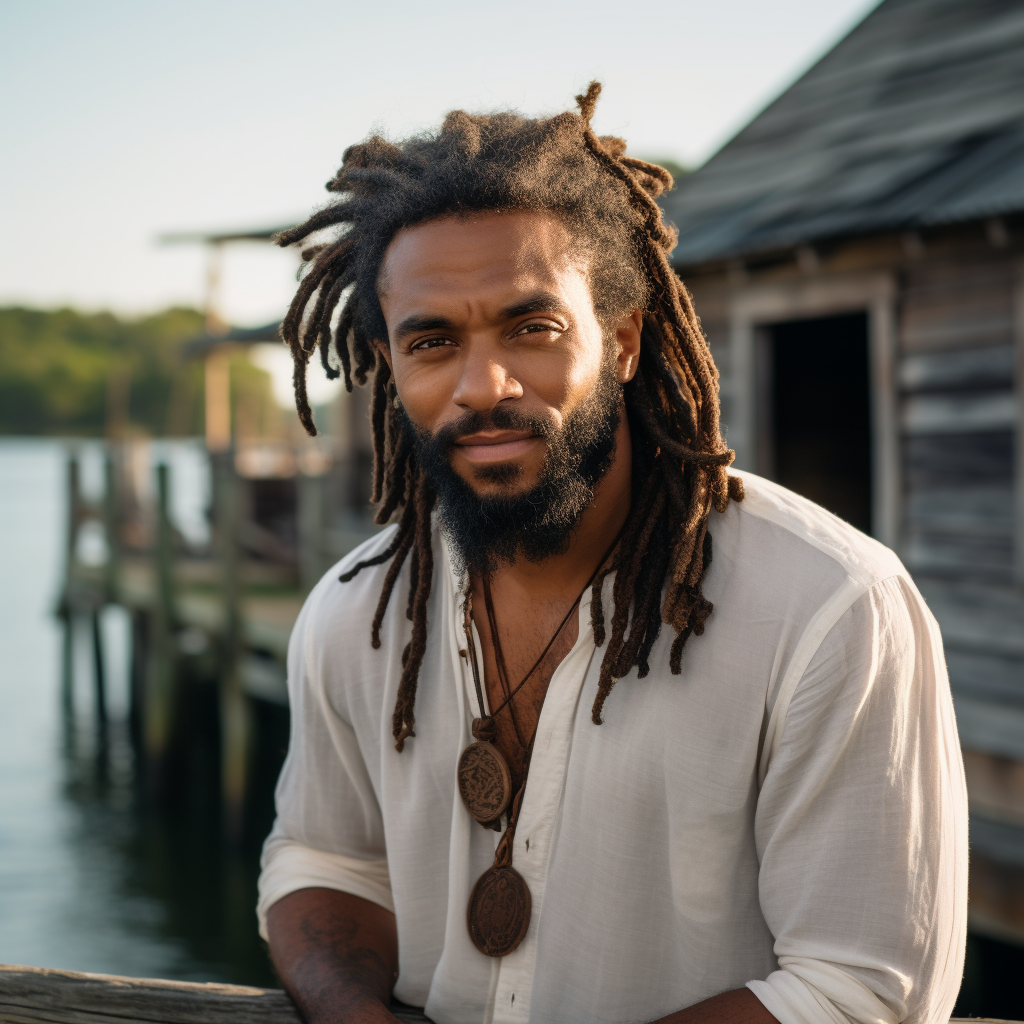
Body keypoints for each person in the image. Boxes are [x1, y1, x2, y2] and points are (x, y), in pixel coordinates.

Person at [257, 84, 967, 1024]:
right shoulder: (357, 611)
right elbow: (321, 860)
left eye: (532, 328)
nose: (485, 386)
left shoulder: (830, 608)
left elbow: (857, 988)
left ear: (624, 339)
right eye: (432, 343)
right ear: (390, 368)